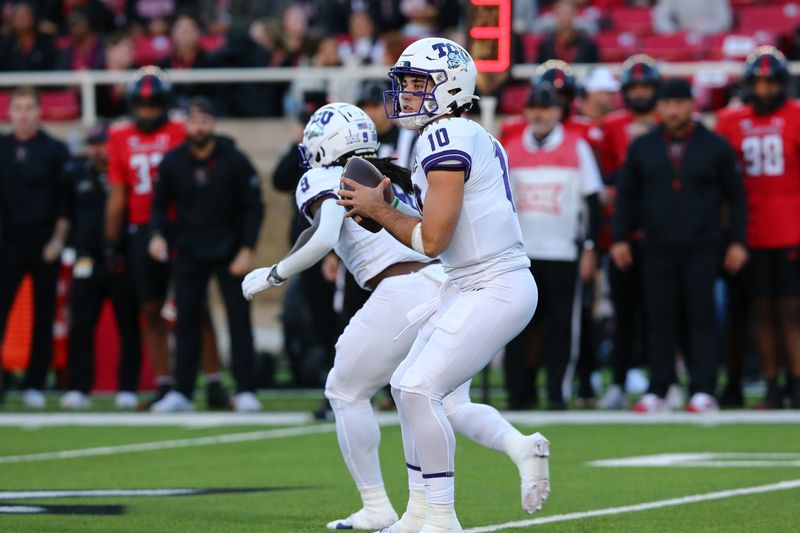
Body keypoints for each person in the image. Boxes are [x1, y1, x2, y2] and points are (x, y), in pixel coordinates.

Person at [243, 102, 549, 531]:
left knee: (347, 390)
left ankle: (383, 506)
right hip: (445, 282)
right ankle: (515, 449)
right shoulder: (390, 172)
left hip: (409, 288)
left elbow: (325, 232)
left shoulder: (325, 176)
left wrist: (275, 272)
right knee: (439, 400)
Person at [338, 38, 550, 532]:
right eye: (405, 84)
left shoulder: (444, 135)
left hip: (492, 282)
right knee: (405, 385)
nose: (407, 95)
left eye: (418, 84)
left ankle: (441, 517)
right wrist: (392, 207)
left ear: (450, 86)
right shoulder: (453, 134)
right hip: (471, 281)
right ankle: (417, 513)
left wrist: (379, 210)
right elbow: (435, 231)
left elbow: (431, 240)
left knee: (416, 388)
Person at [611, 78, 748, 413]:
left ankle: (703, 389)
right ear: (660, 107)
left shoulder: (714, 145)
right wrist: (619, 238)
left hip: (702, 244)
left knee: (701, 317)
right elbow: (626, 196)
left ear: (692, 106)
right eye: (667, 104)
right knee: (658, 319)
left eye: (678, 103)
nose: (672, 110)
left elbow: (737, 196)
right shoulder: (643, 146)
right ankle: (660, 387)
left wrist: (738, 242)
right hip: (656, 245)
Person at [105, 66, 227, 408]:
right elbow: (118, 193)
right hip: (141, 229)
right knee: (150, 309)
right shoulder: (118, 137)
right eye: (142, 106)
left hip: (181, 227)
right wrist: (111, 241)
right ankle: (163, 382)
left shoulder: (179, 130)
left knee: (195, 308)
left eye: (154, 105)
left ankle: (214, 380)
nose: (147, 112)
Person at [149, 98, 263, 412]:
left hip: (230, 252)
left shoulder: (235, 160)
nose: (199, 126)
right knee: (185, 320)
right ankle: (182, 392)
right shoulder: (172, 161)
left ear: (213, 123)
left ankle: (246, 389)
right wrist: (157, 236)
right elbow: (159, 205)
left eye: (204, 119)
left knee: (238, 320)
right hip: (188, 251)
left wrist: (247, 249)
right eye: (193, 119)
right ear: (185, 124)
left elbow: (253, 207)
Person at [504, 82, 602, 411]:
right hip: (521, 255)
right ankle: (520, 393)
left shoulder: (577, 147)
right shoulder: (511, 148)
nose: (539, 113)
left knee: (562, 327)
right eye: (533, 107)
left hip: (563, 252)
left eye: (545, 107)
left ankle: (558, 392)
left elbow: (592, 202)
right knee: (516, 326)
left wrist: (590, 248)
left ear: (559, 111)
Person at [716, 46, 800, 409]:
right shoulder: (730, 121)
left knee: (791, 310)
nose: (765, 89)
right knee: (760, 310)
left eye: (771, 82)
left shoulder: (796, 116)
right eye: (759, 82)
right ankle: (770, 384)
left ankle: (795, 383)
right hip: (750, 231)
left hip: (791, 228)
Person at [60, 123, 142, 410]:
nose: (99, 149)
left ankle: (127, 388)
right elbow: (66, 214)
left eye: (103, 143)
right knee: (81, 324)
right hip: (86, 259)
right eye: (93, 143)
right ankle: (79, 388)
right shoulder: (77, 174)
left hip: (122, 258)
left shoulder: (127, 173)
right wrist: (68, 245)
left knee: (128, 325)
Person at [597, 54, 662, 410]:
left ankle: (660, 382)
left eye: (645, 86)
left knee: (660, 315)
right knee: (623, 316)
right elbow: (603, 176)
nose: (639, 93)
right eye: (634, 87)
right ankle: (619, 381)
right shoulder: (611, 127)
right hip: (621, 233)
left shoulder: (668, 123)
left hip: (660, 234)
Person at [0, 86, 71, 408]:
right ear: (9, 112)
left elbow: (65, 201)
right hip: (7, 242)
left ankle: (36, 383)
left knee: (43, 315)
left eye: (30, 108)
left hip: (44, 243)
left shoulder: (54, 149)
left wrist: (57, 240)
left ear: (39, 113)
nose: (24, 114)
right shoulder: (2, 147)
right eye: (19, 108)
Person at [536, 0, 598, 64]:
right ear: (554, 15)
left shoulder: (587, 43)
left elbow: (594, 68)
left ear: (575, 14)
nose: (564, 18)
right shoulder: (546, 44)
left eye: (567, 14)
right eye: (560, 14)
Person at [0, 1, 57, 71]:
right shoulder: (5, 45)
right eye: (18, 17)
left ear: (32, 18)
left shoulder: (44, 44)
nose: (21, 20)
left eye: (24, 16)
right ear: (12, 21)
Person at [652, 0, 732, 36]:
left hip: (710, 41)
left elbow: (724, 20)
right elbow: (660, 19)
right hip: (680, 44)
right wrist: (677, 32)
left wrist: (704, 28)